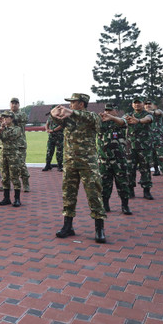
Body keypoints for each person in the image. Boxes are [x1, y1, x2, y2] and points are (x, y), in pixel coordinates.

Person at [51, 93, 106, 243]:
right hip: (70, 162)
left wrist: (72, 112)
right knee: (68, 194)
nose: (70, 105)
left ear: (81, 104)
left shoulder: (92, 116)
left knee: (94, 194)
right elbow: (56, 119)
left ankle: (99, 229)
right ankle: (68, 226)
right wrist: (53, 113)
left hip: (88, 163)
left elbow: (93, 120)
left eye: (73, 102)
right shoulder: (68, 119)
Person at [98, 104, 132, 215]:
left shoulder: (120, 121)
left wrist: (111, 118)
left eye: (110, 110)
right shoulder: (101, 123)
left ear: (116, 111)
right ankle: (105, 204)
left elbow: (123, 122)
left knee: (122, 183)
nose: (107, 112)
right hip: (104, 159)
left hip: (119, 160)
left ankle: (125, 205)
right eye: (106, 110)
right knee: (104, 183)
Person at [125, 98, 155, 200]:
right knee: (130, 169)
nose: (137, 105)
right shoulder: (128, 115)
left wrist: (137, 121)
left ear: (143, 104)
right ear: (132, 105)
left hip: (144, 148)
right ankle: (130, 190)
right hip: (130, 148)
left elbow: (148, 119)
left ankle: (146, 191)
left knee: (145, 169)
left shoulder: (147, 114)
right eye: (135, 103)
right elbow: (122, 121)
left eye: (139, 103)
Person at [0, 112, 23, 207]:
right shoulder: (0, 128)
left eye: (7, 117)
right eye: (3, 117)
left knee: (14, 176)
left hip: (13, 155)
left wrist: (4, 130)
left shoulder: (17, 129)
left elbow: (11, 136)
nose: (4, 119)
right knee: (5, 177)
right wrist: (0, 130)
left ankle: (17, 199)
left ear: (12, 118)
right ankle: (6, 198)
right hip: (3, 155)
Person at [145, 100, 163, 185]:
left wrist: (149, 111)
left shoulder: (157, 112)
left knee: (161, 157)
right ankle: (156, 170)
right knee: (150, 157)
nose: (147, 105)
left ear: (154, 105)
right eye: (146, 104)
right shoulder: (143, 115)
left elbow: (159, 113)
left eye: (149, 104)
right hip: (147, 140)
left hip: (158, 139)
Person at [10, 98, 31, 192]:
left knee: (21, 165)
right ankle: (6, 184)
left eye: (16, 103)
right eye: (12, 103)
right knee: (8, 166)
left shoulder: (22, 114)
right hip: (9, 145)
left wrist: (7, 117)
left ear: (19, 105)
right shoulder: (6, 114)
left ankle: (26, 184)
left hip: (20, 144)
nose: (14, 105)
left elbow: (20, 118)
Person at [43, 106, 64, 172]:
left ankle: (60, 165)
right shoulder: (50, 117)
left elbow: (62, 125)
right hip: (51, 137)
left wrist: (53, 130)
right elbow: (47, 124)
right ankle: (48, 165)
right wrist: (47, 129)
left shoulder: (61, 117)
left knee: (59, 152)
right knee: (49, 151)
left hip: (59, 137)